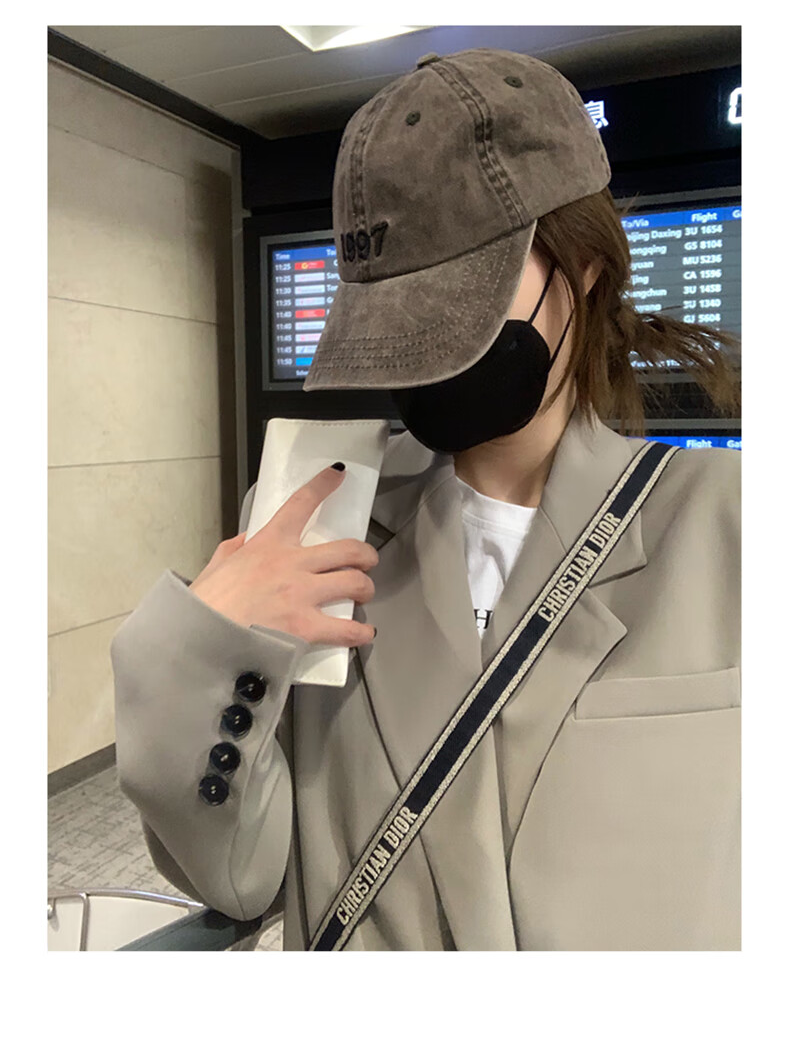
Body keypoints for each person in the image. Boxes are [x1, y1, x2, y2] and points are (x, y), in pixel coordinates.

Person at [110, 47, 741, 950]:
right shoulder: (318, 521)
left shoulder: (731, 524)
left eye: (455, 306)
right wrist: (205, 651)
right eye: (395, 321)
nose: (425, 358)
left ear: (586, 268)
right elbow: (241, 875)